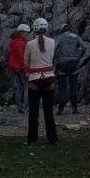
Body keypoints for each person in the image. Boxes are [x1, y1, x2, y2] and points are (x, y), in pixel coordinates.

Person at [24, 17, 58, 145]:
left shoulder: (30, 44)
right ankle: (53, 138)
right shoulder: (53, 42)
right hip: (49, 78)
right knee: (48, 111)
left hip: (34, 79)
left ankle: (32, 139)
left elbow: (26, 62)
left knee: (33, 111)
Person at [54, 23, 83, 114]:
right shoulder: (76, 36)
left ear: (62, 30)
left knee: (62, 87)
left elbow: (54, 49)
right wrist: (78, 57)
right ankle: (75, 108)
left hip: (63, 65)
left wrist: (57, 58)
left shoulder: (60, 37)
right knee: (73, 87)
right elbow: (84, 47)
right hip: (74, 64)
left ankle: (61, 109)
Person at [7, 23, 30, 113]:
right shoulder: (20, 43)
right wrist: (26, 70)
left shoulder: (14, 42)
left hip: (14, 68)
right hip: (20, 68)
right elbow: (22, 58)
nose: (27, 35)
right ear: (21, 33)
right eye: (26, 33)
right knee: (26, 87)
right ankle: (25, 107)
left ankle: (19, 107)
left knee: (19, 88)